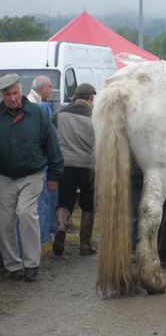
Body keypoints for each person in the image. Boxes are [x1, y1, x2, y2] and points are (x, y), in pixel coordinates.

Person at [0, 73, 63, 281]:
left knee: (26, 213)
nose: (12, 98)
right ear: (2, 96)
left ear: (21, 91)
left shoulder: (36, 113)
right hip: (5, 176)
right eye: (8, 94)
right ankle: (13, 266)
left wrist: (54, 174)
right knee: (5, 220)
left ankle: (31, 263)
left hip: (32, 174)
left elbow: (51, 144)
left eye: (15, 93)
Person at [52, 83, 97, 256]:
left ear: (76, 96)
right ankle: (85, 245)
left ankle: (62, 226)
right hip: (88, 166)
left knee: (64, 201)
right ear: (90, 97)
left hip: (66, 164)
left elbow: (54, 125)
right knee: (88, 205)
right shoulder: (94, 116)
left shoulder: (60, 114)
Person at [27, 75, 57, 244]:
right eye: (50, 86)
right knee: (41, 201)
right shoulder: (39, 106)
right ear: (42, 88)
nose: (51, 90)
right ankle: (42, 235)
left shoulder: (34, 102)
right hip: (39, 160)